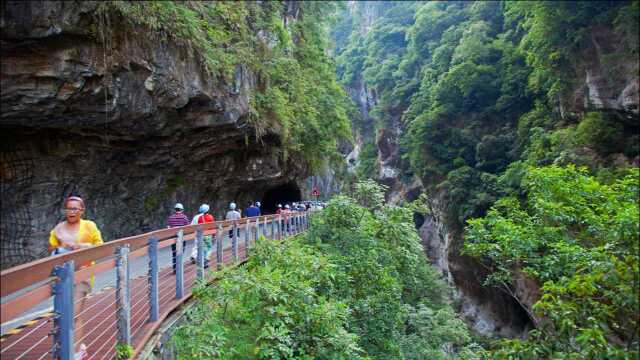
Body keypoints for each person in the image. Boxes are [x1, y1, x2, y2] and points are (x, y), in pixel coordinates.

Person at [48, 196, 103, 360]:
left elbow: (100, 246)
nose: (71, 212)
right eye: (68, 208)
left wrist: (82, 247)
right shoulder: (58, 228)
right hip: (62, 278)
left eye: (75, 209)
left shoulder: (89, 226)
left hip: (82, 275)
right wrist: (61, 246)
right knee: (62, 315)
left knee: (74, 314)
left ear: (82, 211)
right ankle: (72, 348)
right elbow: (51, 249)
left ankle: (76, 351)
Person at [167, 203, 190, 274]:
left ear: (175, 209)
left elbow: (168, 227)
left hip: (173, 238)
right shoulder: (184, 217)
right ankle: (179, 268)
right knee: (180, 253)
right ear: (182, 210)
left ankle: (175, 269)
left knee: (174, 253)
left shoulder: (171, 218)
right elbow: (188, 227)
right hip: (182, 238)